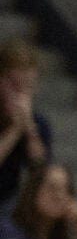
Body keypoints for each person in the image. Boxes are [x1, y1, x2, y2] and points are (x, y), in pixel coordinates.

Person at [0, 39, 50, 211]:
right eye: (14, 85)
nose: (20, 94)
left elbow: (41, 175)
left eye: (27, 86)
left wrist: (30, 133)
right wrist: (14, 131)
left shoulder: (38, 124)